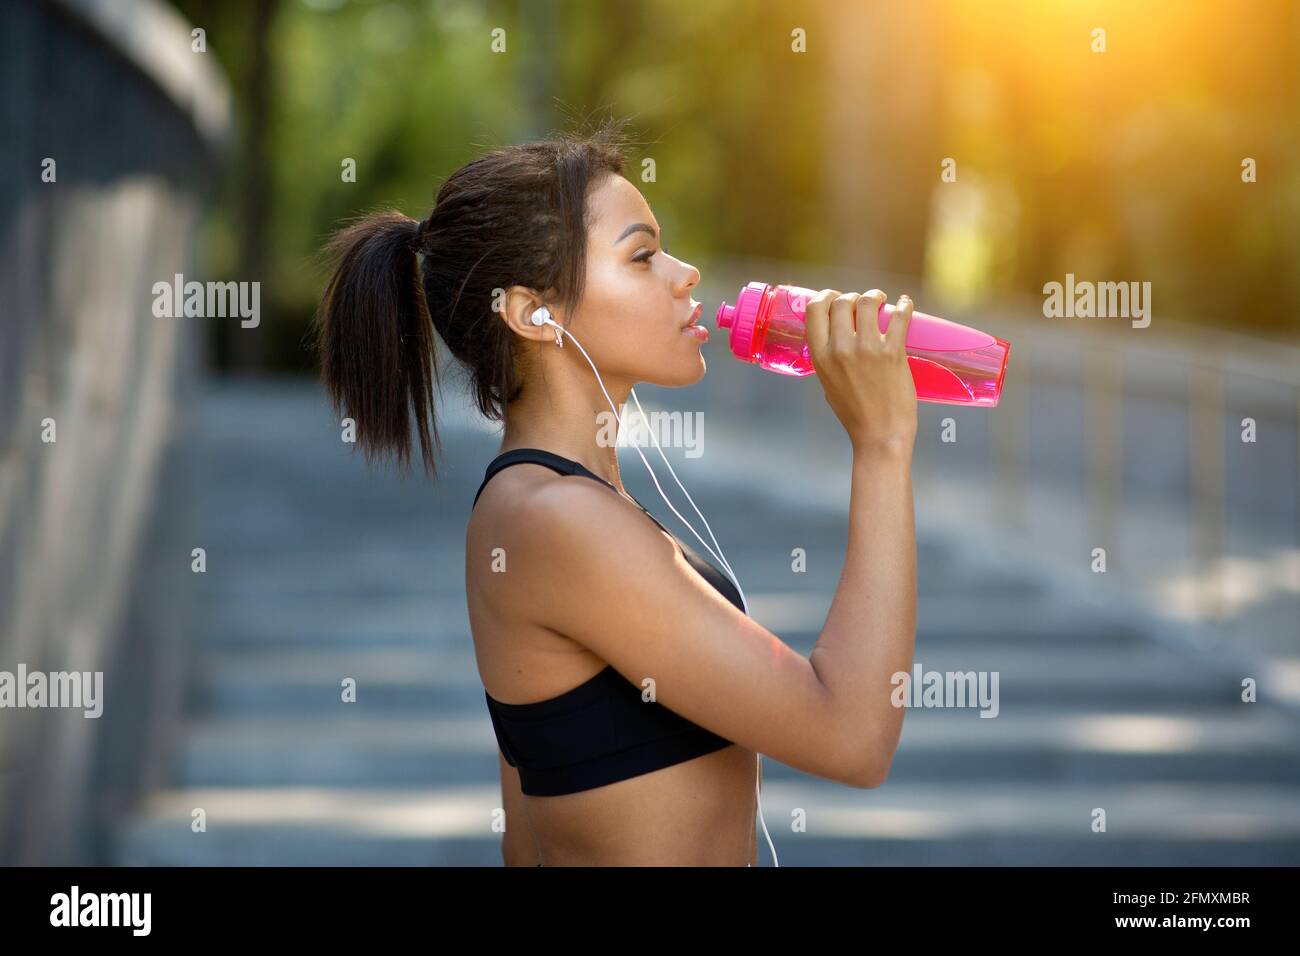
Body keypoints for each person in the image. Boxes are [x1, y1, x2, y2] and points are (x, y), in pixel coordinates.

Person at [311, 118, 918, 866]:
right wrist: (882, 446)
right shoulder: (554, 518)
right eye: (644, 256)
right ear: (534, 311)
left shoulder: (552, 508)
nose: (685, 273)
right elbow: (853, 739)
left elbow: (521, 837)